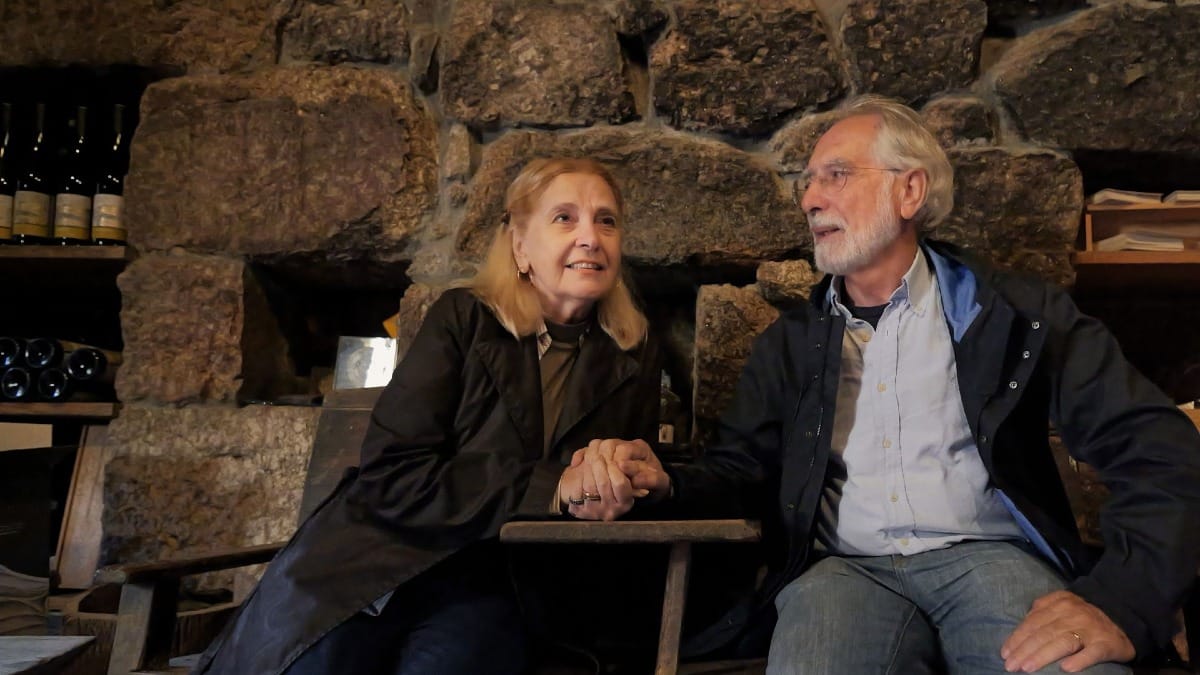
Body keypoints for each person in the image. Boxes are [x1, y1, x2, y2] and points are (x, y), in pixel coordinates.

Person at [586, 95, 1200, 674]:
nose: (810, 200)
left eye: (836, 175)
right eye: (809, 182)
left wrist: (1123, 600)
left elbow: (1158, 449)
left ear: (909, 190)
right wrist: (667, 482)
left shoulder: (1018, 315)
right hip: (841, 571)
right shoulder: (791, 343)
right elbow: (738, 472)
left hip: (993, 560)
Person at [194, 157, 662, 675]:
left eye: (607, 220)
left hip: (502, 583)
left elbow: (608, 493)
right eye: (564, 218)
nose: (591, 237)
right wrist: (552, 488)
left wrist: (635, 477)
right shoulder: (463, 318)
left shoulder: (632, 350)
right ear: (520, 247)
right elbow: (394, 472)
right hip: (383, 560)